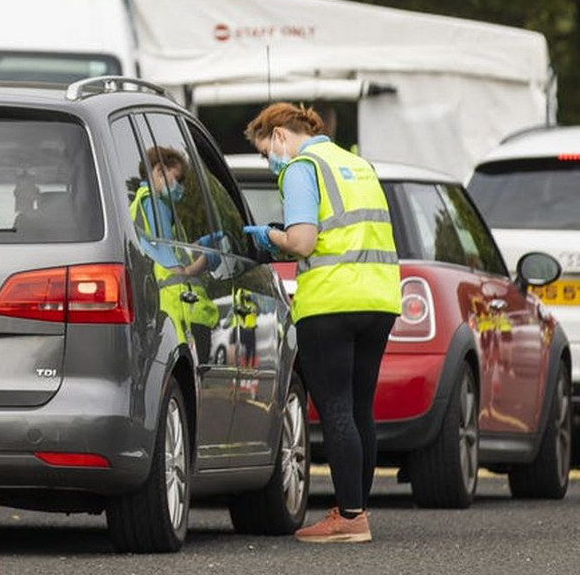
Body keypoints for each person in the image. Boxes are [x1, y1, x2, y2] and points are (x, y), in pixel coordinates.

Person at [242, 102, 400, 543]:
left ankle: (349, 518)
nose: (270, 163)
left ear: (279, 136)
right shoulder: (358, 165)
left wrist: (268, 235)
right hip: (379, 298)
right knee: (360, 408)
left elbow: (303, 240)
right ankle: (357, 507)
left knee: (336, 409)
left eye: (265, 153)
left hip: (331, 301)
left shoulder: (301, 167)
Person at [129, 145, 220, 363]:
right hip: (178, 307)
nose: (180, 187)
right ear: (159, 170)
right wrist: (202, 261)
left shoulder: (140, 204)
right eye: (177, 178)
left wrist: (196, 246)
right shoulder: (155, 205)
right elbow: (169, 262)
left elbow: (160, 250)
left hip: (167, 306)